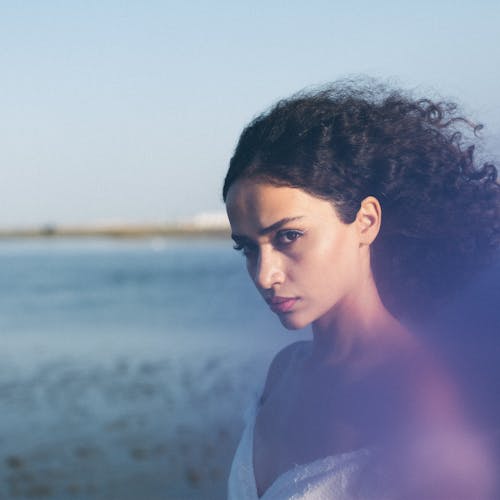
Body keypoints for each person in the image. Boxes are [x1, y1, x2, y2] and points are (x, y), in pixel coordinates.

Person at [223, 79, 500, 499]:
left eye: (288, 237)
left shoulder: (427, 398)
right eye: (247, 247)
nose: (264, 275)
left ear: (366, 221)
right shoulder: (282, 372)